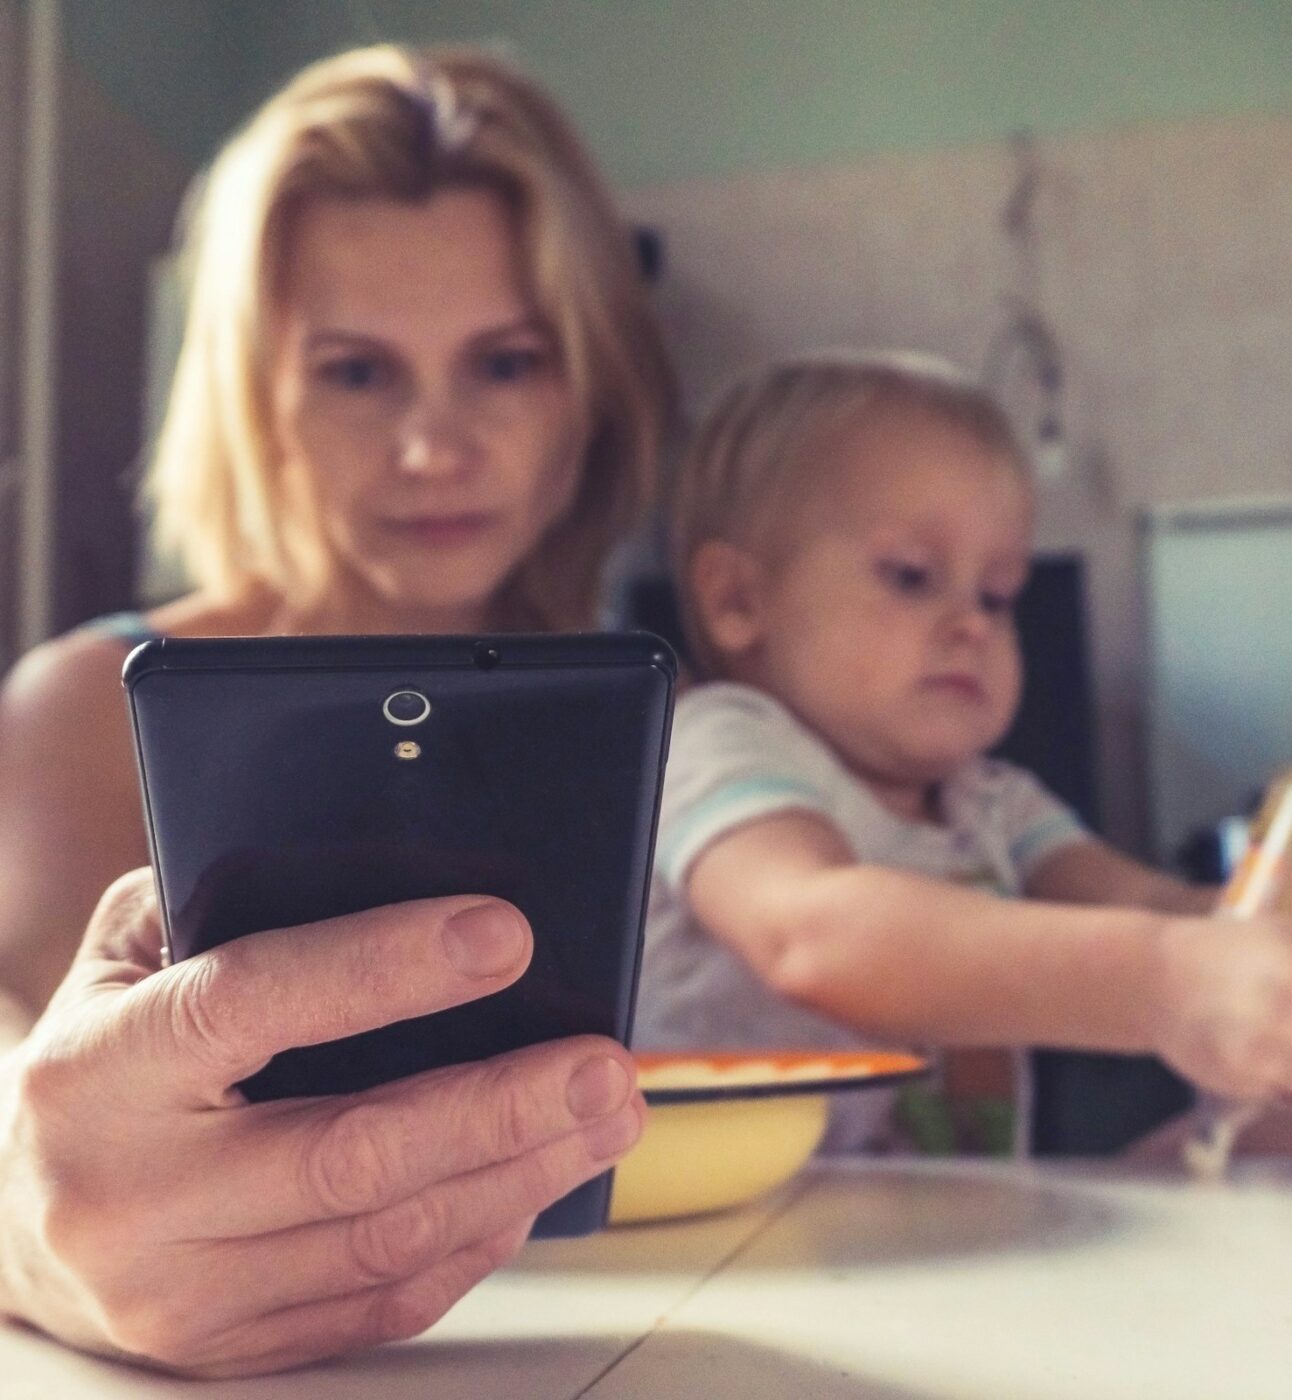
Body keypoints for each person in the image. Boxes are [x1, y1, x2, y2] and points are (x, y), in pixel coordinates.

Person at [0, 43, 670, 1373]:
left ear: (590, 385)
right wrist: (27, 1233)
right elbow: (27, 1108)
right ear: (255, 395)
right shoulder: (82, 709)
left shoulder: (662, 722)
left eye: (505, 362)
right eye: (358, 372)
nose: (434, 447)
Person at [634, 350, 1292, 1155]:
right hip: (744, 1223)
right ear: (739, 600)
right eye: (911, 577)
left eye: (997, 594)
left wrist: (1250, 932)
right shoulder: (710, 745)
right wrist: (1162, 979)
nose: (973, 624)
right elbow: (810, 936)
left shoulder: (992, 801)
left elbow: (1154, 911)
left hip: (957, 1212)